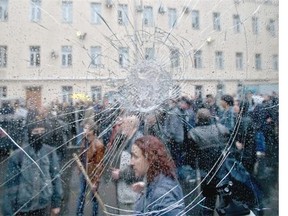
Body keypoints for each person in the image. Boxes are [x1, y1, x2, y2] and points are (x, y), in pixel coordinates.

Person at [2, 122, 63, 216]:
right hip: (23, 207)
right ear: (29, 133)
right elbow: (11, 184)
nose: (39, 134)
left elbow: (56, 178)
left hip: (43, 204)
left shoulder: (49, 152)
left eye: (42, 131)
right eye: (36, 131)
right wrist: (9, 210)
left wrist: (56, 203)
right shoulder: (19, 155)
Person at [130, 135, 186, 215]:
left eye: (135, 157)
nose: (131, 162)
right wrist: (146, 187)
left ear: (149, 158)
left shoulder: (161, 194)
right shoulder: (160, 179)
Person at [76, 121, 105, 216]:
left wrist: (95, 181)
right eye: (84, 128)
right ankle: (79, 213)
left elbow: (99, 165)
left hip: (92, 174)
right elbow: (82, 155)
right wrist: (80, 169)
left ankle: (95, 214)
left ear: (92, 131)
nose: (84, 130)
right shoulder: (85, 140)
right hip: (84, 172)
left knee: (94, 197)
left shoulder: (98, 145)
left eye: (86, 128)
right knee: (81, 195)